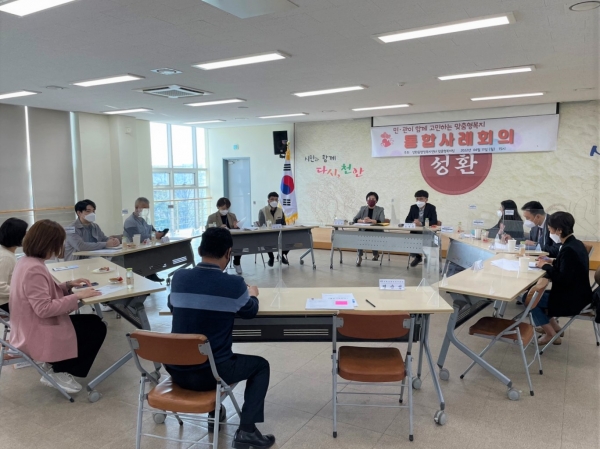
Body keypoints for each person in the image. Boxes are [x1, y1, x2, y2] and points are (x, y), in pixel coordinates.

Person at [166, 227, 274, 449]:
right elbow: (250, 311)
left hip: (177, 370)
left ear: (199, 250)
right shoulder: (234, 284)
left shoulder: (179, 277)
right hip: (211, 374)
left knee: (205, 347)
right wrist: (252, 294)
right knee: (260, 366)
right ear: (228, 253)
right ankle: (247, 431)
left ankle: (216, 412)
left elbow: (172, 305)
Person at [8, 219, 106, 394]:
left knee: (93, 322)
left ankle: (57, 365)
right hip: (35, 329)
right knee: (95, 328)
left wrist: (67, 285)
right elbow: (44, 309)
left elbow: (41, 293)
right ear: (48, 243)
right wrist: (77, 296)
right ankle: (59, 370)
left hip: (28, 324)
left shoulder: (26, 261)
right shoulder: (34, 268)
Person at [534, 212, 592, 345]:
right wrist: (551, 261)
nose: (550, 233)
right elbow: (569, 266)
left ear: (559, 230)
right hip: (580, 294)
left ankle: (550, 334)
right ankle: (555, 327)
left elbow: (561, 278)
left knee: (531, 299)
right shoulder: (576, 243)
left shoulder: (568, 249)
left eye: (550, 229)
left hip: (572, 299)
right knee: (538, 295)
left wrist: (545, 266)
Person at [123, 197, 165, 282]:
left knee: (163, 252)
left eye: (147, 208)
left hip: (146, 248)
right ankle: (149, 274)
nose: (146, 211)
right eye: (144, 208)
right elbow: (137, 238)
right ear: (136, 208)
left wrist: (160, 233)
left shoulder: (146, 220)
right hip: (133, 251)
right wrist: (154, 236)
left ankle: (152, 273)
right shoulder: (130, 221)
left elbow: (153, 231)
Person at [206, 197, 243, 275]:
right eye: (223, 208)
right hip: (219, 240)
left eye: (227, 208)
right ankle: (221, 267)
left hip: (232, 238)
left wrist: (236, 226)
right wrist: (219, 228)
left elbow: (236, 228)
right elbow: (208, 230)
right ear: (218, 207)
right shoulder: (212, 217)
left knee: (239, 245)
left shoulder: (232, 215)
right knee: (224, 250)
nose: (225, 210)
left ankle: (237, 262)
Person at [0, 218, 28, 314]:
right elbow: (0, 287)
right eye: (25, 233)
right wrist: (23, 291)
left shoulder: (6, 252)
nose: (28, 235)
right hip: (5, 303)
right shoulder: (6, 257)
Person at [405, 190, 437, 267]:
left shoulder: (431, 208)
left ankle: (427, 257)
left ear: (426, 199)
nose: (419, 201)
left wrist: (421, 224)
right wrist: (413, 222)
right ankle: (417, 257)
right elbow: (407, 220)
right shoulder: (413, 207)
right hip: (415, 232)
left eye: (421, 199)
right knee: (409, 241)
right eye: (417, 199)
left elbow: (434, 221)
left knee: (428, 242)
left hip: (427, 232)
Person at [352, 191, 385, 266]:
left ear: (376, 201)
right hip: (364, 231)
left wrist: (371, 220)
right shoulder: (363, 208)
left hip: (376, 232)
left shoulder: (380, 209)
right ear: (366, 200)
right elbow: (355, 219)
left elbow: (382, 221)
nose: (371, 200)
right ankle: (359, 257)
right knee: (360, 238)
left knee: (373, 238)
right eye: (369, 199)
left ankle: (375, 254)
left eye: (373, 199)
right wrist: (363, 221)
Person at [257, 192, 289, 267]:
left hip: (279, 234)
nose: (274, 201)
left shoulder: (280, 211)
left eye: (276, 199)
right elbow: (261, 226)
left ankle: (281, 255)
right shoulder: (262, 211)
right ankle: (271, 257)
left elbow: (284, 225)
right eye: (272, 199)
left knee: (290, 241)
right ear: (268, 201)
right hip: (267, 235)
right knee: (266, 241)